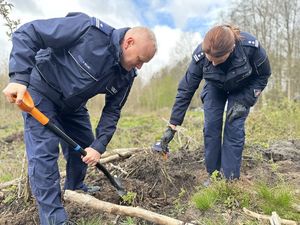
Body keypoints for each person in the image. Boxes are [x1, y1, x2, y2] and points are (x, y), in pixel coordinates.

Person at [2, 12, 157, 225]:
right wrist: (19, 77)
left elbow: (112, 111)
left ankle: (75, 187)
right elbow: (30, 32)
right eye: (140, 60)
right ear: (128, 43)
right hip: (41, 91)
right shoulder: (87, 29)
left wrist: (99, 146)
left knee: (85, 144)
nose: (139, 67)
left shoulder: (126, 75)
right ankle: (54, 219)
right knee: (44, 155)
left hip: (73, 106)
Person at [158, 24, 271, 183]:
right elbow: (186, 90)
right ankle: (214, 175)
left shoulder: (250, 48)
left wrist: (245, 101)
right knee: (211, 126)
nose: (213, 64)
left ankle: (229, 179)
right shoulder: (201, 56)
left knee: (234, 127)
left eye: (217, 60)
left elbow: (263, 75)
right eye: (209, 60)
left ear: (230, 50)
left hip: (242, 89)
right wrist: (173, 125)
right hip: (214, 87)